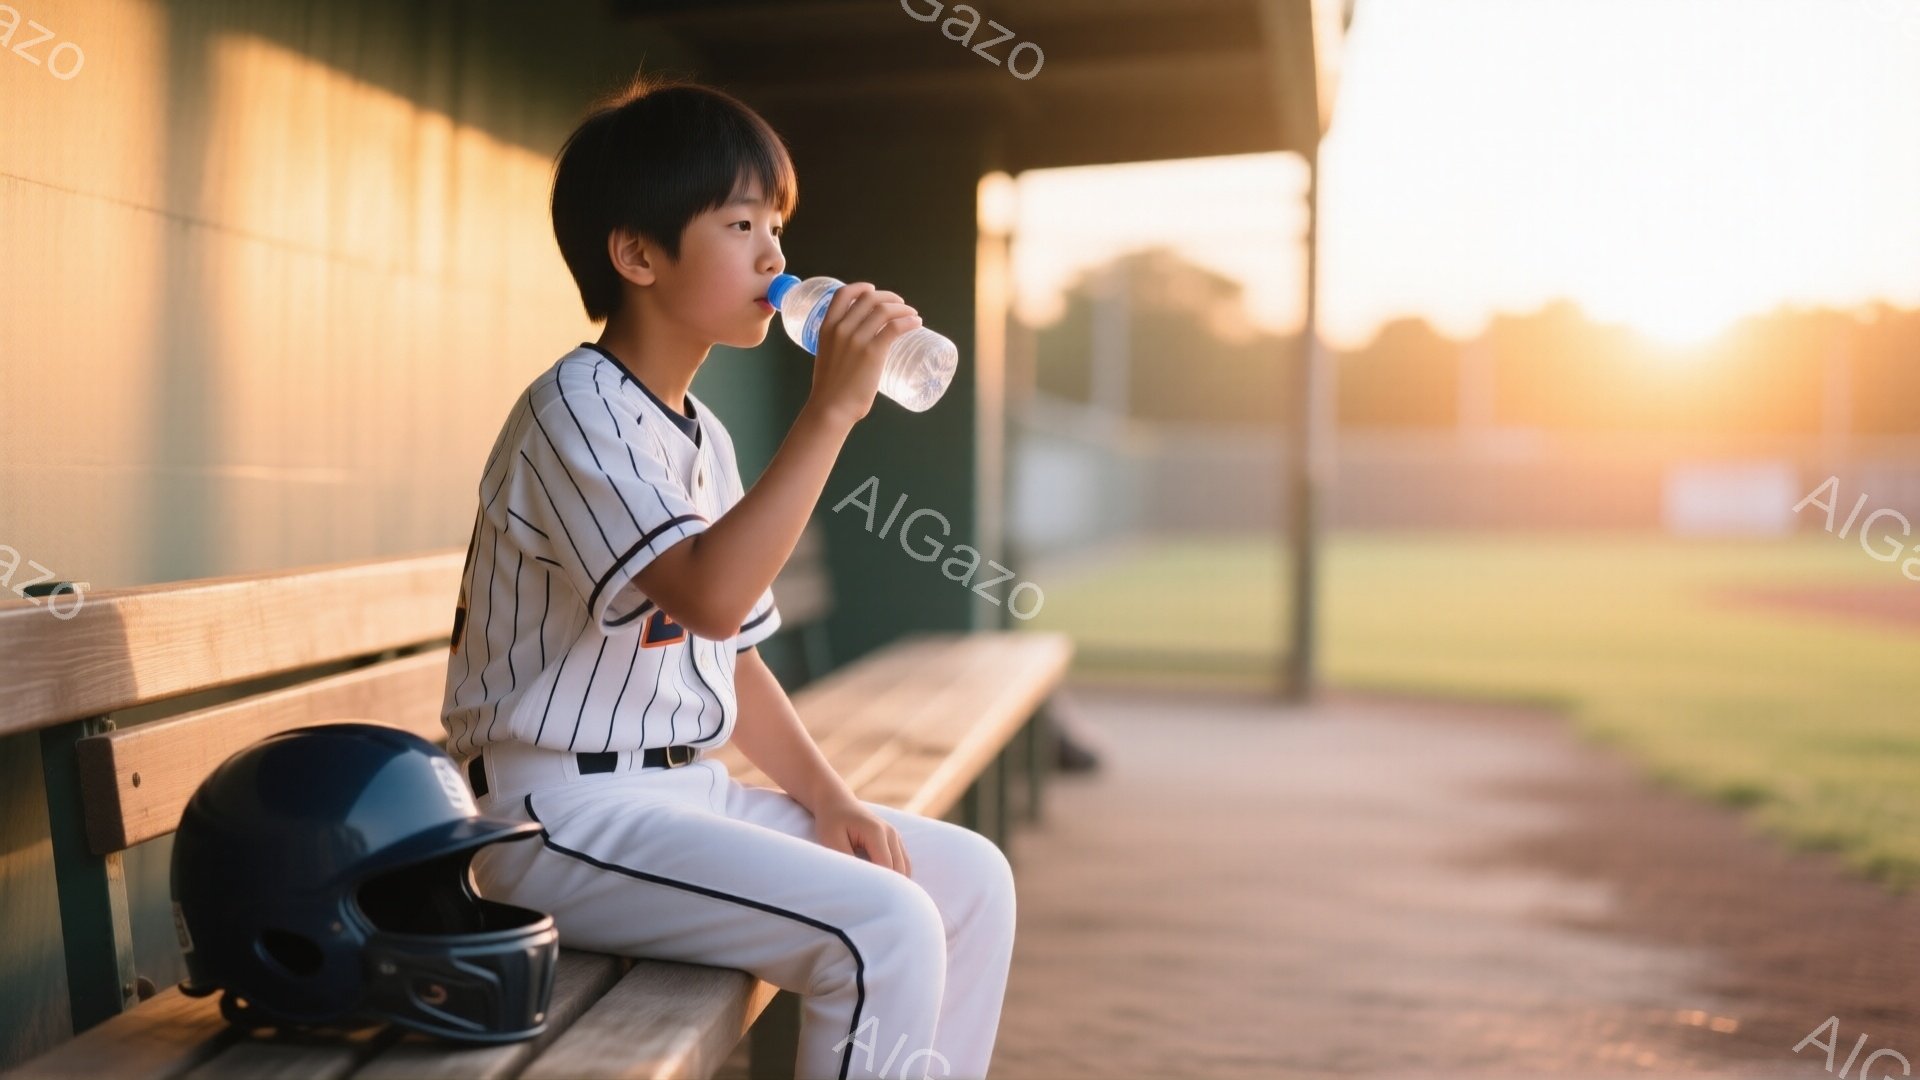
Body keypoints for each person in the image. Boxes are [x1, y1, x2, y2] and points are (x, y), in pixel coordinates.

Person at [439, 74, 1016, 1080]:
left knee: (967, 879)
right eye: (743, 221)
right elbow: (706, 593)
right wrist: (830, 411)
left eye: (778, 225)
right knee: (882, 927)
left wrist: (828, 796)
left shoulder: (700, 431)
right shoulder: (576, 407)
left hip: (680, 799)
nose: (776, 255)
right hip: (555, 823)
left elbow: (729, 650)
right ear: (638, 255)